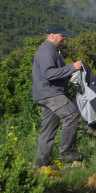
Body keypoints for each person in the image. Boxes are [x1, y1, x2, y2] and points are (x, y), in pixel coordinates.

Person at [32, 23, 83, 166]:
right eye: (62, 35)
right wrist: (70, 67)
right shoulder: (47, 51)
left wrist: (68, 74)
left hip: (44, 94)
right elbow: (48, 74)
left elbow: (52, 73)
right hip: (50, 94)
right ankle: (66, 152)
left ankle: (42, 164)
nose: (65, 37)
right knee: (72, 114)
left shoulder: (52, 50)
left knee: (48, 130)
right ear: (52, 35)